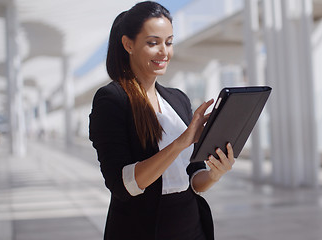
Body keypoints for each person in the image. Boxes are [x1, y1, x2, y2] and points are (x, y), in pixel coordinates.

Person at [89, 2, 235, 240]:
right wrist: (180, 142)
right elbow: (124, 184)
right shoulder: (111, 100)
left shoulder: (178, 99)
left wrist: (215, 173)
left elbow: (194, 180)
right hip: (143, 229)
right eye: (152, 43)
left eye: (169, 42)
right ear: (128, 44)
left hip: (191, 225)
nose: (164, 52)